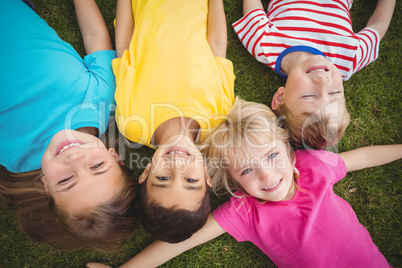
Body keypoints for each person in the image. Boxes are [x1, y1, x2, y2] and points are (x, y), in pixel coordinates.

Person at [87, 98, 401, 267]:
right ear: (235, 181)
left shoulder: (315, 166)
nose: (266, 175)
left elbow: (362, 157)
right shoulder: (245, 211)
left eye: (271, 156)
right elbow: (181, 242)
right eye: (247, 171)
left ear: (289, 151)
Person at [0, 0, 137, 252]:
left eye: (65, 180)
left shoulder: (12, 154)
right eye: (97, 166)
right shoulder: (102, 99)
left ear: (46, 187)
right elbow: (94, 36)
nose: (75, 159)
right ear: (115, 157)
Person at [113, 0, 235, 243]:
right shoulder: (218, 119)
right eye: (191, 180)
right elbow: (217, 48)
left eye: (163, 179)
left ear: (146, 172)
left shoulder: (132, 124)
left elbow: (124, 51)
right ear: (207, 177)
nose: (177, 166)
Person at [233, 0, 395, 150]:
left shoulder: (264, 45)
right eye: (334, 93)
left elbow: (252, 8)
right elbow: (378, 25)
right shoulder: (349, 58)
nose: (323, 82)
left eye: (309, 96)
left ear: (280, 97)